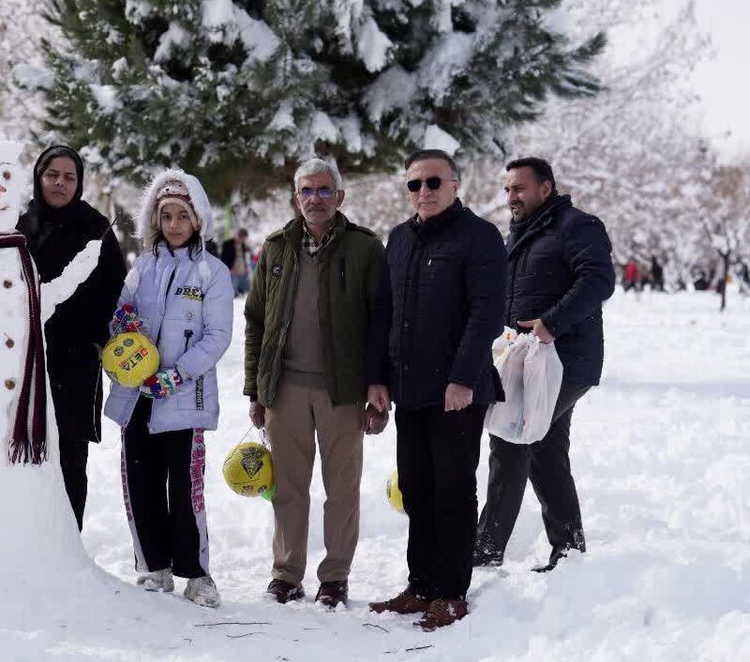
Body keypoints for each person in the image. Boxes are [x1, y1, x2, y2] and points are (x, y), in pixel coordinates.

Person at [365, 149, 506, 631]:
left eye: (433, 182)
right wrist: (377, 376)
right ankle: (421, 585)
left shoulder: (480, 237)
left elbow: (487, 313)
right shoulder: (399, 238)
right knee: (416, 489)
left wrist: (463, 378)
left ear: (455, 185)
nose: (423, 191)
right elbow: (384, 313)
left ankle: (450, 592)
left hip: (457, 391)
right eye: (414, 184)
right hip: (410, 387)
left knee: (452, 491)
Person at [243, 158, 388, 609]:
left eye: (325, 190)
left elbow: (382, 322)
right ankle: (287, 575)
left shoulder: (365, 248)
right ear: (296, 197)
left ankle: (335, 577)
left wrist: (379, 384)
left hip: (343, 390)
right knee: (287, 487)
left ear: (339, 196)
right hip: (284, 388)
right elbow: (256, 321)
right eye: (306, 190)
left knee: (341, 489)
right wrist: (256, 389)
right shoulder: (276, 248)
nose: (315, 198)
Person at [475, 157, 615, 572]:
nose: (511, 197)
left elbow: (599, 280)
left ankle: (485, 551)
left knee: (511, 437)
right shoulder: (521, 234)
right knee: (546, 451)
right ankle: (568, 551)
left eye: (519, 188)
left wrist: (551, 324)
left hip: (564, 362)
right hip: (530, 363)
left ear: (546, 188)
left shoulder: (577, 226)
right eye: (507, 189)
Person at [103, 169, 233, 608]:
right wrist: (122, 321)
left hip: (183, 396)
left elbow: (217, 336)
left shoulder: (212, 272)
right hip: (138, 392)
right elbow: (121, 308)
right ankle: (153, 566)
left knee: (185, 487)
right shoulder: (143, 266)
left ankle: (196, 574)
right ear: (155, 220)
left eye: (182, 215)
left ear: (198, 219)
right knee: (140, 480)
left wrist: (178, 374)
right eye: (166, 216)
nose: (174, 224)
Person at [17, 144, 127, 530]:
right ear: (38, 177)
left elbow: (116, 289)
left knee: (70, 456)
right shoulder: (20, 226)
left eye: (69, 177)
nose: (59, 183)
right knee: (24, 453)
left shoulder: (95, 228)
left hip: (78, 360)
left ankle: (68, 542)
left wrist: (101, 340)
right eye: (52, 175)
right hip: (27, 358)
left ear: (79, 183)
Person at [221, 228, 252, 297]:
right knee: (233, 288)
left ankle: (240, 293)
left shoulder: (243, 245)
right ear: (238, 236)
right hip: (232, 270)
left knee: (245, 287)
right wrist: (228, 268)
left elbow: (243, 257)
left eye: (244, 239)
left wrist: (246, 267)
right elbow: (223, 258)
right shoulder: (228, 244)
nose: (243, 240)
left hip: (242, 269)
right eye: (242, 238)